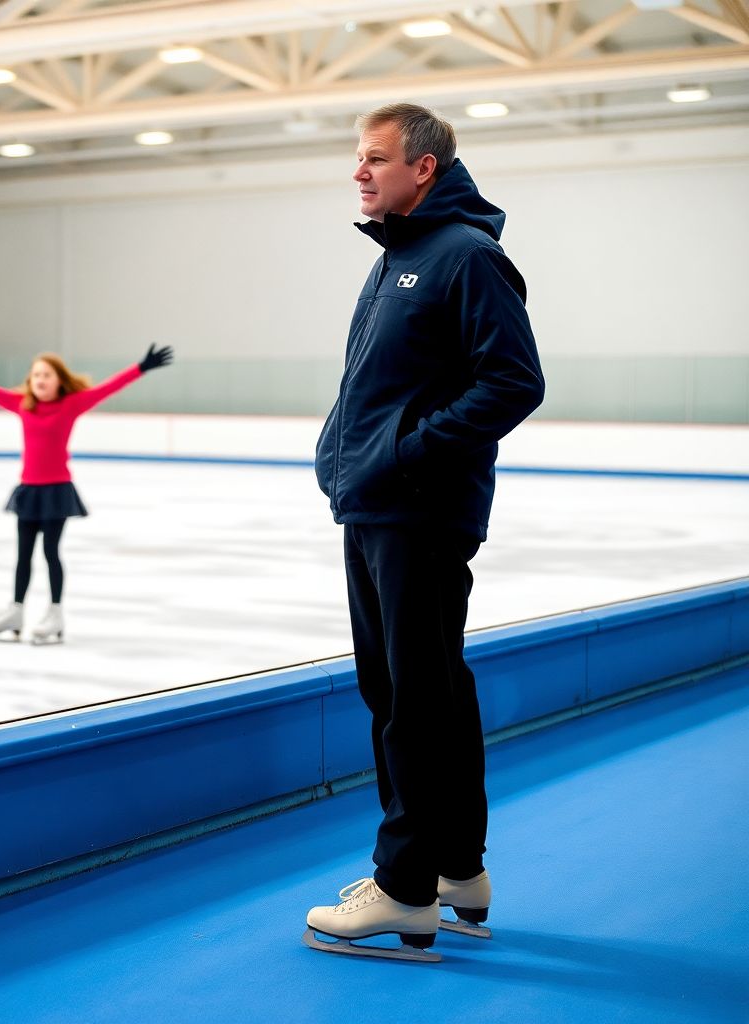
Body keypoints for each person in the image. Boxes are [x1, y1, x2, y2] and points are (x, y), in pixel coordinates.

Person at [305, 104, 545, 961]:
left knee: (410, 698)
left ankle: (404, 889)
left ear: (426, 168)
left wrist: (407, 455)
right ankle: (455, 869)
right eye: (357, 161)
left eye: (375, 159)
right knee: (424, 690)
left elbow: (514, 382)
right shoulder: (401, 256)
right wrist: (348, 456)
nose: (360, 173)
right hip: (377, 506)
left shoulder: (466, 258)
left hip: (416, 510)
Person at [0, 345, 173, 644]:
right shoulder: (22, 404)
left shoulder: (72, 404)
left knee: (51, 552)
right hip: (28, 490)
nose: (40, 379)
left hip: (57, 491)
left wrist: (141, 367)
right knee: (23, 554)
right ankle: (16, 611)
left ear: (59, 380)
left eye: (46, 374)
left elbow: (108, 388)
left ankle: (55, 613)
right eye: (36, 374)